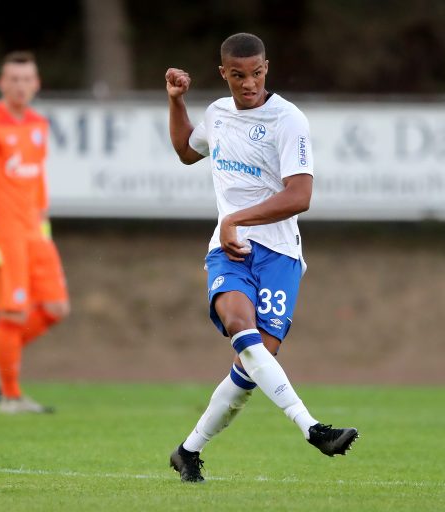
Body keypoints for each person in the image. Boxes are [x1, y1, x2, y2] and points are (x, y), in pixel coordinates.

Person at [165, 33, 358, 483]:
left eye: (255, 74)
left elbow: (301, 195)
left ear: (266, 68)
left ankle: (188, 450)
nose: (248, 84)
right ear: (224, 74)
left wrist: (236, 217)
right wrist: (177, 102)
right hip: (229, 251)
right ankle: (312, 428)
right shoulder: (216, 114)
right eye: (238, 76)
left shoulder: (288, 120)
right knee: (239, 327)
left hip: (280, 255)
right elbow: (184, 152)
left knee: (251, 366)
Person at [0, 51, 70, 414]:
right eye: (13, 79)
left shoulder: (38, 124)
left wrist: (43, 221)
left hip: (34, 229)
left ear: (37, 84)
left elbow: (37, 176)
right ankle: (9, 397)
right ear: (1, 83)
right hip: (2, 232)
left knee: (56, 307)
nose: (20, 86)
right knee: (14, 313)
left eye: (27, 79)